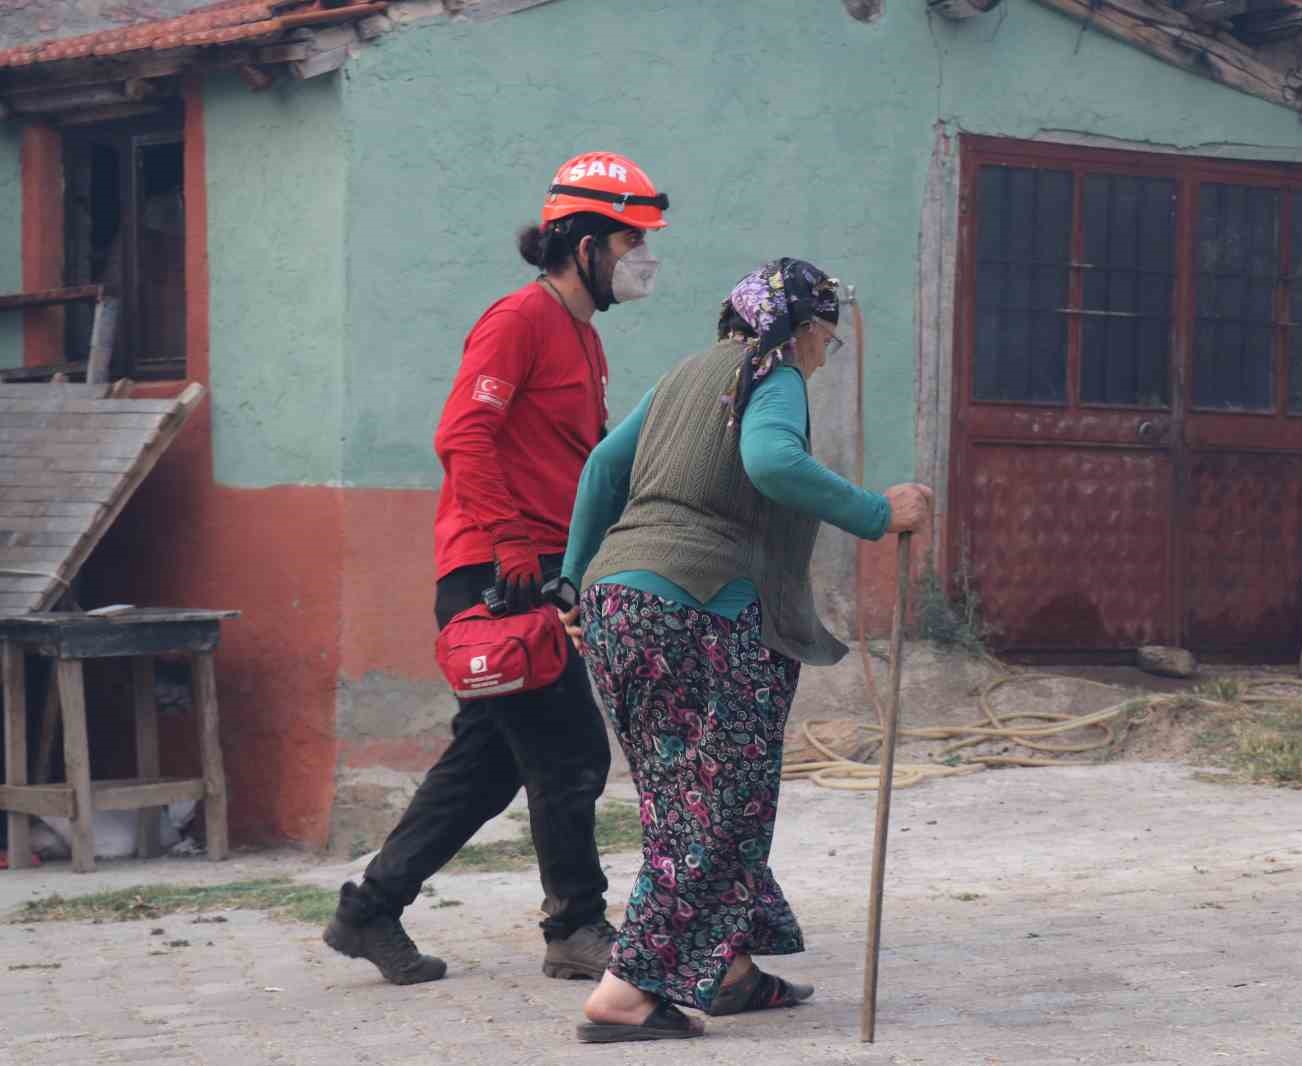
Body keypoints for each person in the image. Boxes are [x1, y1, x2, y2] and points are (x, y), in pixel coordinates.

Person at [554, 259, 932, 1042]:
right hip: (702, 608)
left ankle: (725, 969)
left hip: (622, 601)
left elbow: (602, 469)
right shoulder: (777, 369)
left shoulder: (689, 373)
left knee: (680, 797)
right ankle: (629, 990)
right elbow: (771, 461)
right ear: (801, 327)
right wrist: (874, 511)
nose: (829, 353)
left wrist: (572, 586)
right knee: (721, 804)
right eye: (828, 336)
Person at [322, 151, 670, 986]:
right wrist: (514, 545)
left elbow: (576, 461)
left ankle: (369, 912)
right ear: (583, 241)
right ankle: (577, 928)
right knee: (571, 754)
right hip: (495, 573)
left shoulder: (581, 337)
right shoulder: (518, 319)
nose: (642, 259)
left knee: (486, 766)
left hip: (541, 570)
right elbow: (463, 435)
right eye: (630, 240)